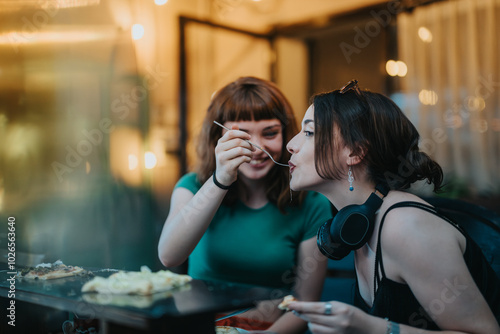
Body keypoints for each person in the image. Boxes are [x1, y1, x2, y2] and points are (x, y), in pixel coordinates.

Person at [285, 80, 500, 334]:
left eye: (309, 133)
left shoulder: (405, 227)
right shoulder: (356, 224)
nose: (291, 144)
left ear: (354, 152)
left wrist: (371, 328)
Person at [158, 76, 332, 333]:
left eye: (270, 133)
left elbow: (305, 303)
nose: (257, 148)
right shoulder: (193, 186)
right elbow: (169, 256)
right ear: (217, 137)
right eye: (241, 135)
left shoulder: (311, 201)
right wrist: (220, 180)